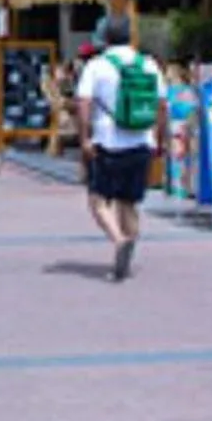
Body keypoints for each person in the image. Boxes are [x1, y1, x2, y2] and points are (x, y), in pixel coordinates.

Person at [76, 16, 166, 283]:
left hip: (108, 142)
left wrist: (84, 137)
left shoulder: (97, 66)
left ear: (105, 38)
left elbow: (83, 103)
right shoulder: (148, 64)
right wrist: (160, 138)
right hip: (141, 141)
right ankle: (127, 249)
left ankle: (118, 241)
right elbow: (162, 105)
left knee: (98, 200)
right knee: (129, 203)